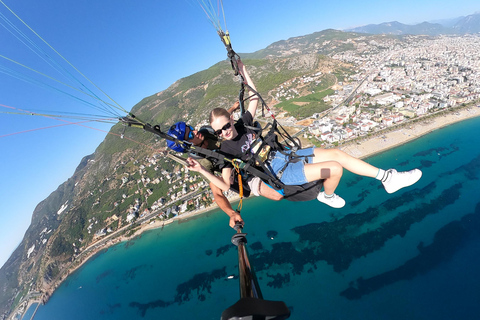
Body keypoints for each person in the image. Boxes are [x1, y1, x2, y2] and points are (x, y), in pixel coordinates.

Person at [187, 59, 423, 209]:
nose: (225, 132)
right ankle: (327, 196)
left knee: (337, 154)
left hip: (288, 155)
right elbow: (226, 184)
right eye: (219, 131)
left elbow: (255, 97)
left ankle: (388, 178)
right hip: (280, 172)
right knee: (335, 169)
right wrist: (201, 170)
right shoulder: (225, 151)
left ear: (231, 120)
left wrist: (244, 71)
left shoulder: (243, 124)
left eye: (226, 126)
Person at [166, 115, 282, 228]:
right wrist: (231, 213)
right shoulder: (203, 162)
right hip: (243, 174)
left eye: (191, 128)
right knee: (277, 195)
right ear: (188, 145)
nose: (195, 131)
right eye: (191, 134)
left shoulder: (208, 132)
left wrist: (231, 110)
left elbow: (221, 122)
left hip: (248, 152)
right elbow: (217, 193)